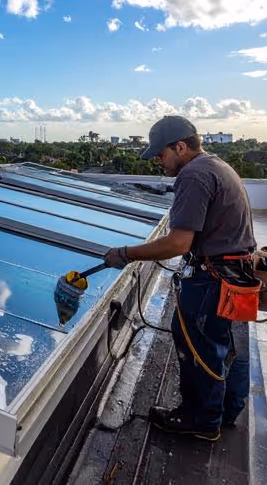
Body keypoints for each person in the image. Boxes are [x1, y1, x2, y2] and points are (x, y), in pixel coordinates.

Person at [103, 115, 256, 441]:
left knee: (200, 346)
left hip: (212, 280)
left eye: (161, 154)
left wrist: (126, 253)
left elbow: (178, 243)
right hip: (232, 274)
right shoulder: (216, 166)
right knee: (225, 344)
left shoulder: (194, 176)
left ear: (181, 146)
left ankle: (201, 420)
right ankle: (225, 411)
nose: (158, 161)